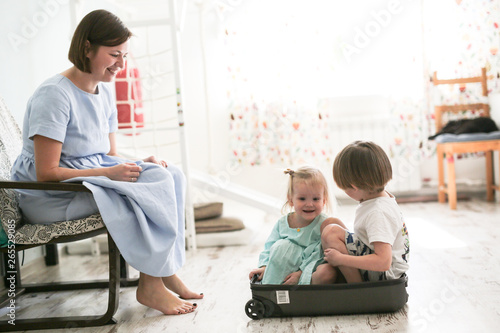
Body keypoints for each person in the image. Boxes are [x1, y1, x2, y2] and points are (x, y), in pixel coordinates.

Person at [10, 9, 202, 315]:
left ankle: (164, 269)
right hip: (51, 195)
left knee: (170, 174)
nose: (121, 65)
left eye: (125, 56)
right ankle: (151, 285)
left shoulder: (103, 93)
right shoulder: (54, 95)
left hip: (88, 180)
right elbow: (46, 173)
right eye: (114, 55)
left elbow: (108, 155)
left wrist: (140, 162)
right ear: (87, 48)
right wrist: (110, 173)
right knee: (148, 188)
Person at [321, 141, 410, 283]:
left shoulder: (378, 212)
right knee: (330, 223)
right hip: (383, 269)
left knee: (331, 232)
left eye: (345, 189)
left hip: (385, 277)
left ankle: (358, 288)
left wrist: (341, 259)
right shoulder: (380, 197)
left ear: (354, 187)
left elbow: (383, 262)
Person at [249, 166, 346, 285]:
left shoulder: (323, 224)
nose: (309, 204)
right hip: (285, 267)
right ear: (291, 200)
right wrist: (264, 266)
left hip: (309, 267)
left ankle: (304, 293)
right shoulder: (283, 223)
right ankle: (276, 288)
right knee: (280, 247)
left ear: (324, 200)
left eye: (316, 199)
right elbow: (269, 247)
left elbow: (318, 254)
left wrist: (300, 273)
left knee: (327, 272)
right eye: (302, 199)